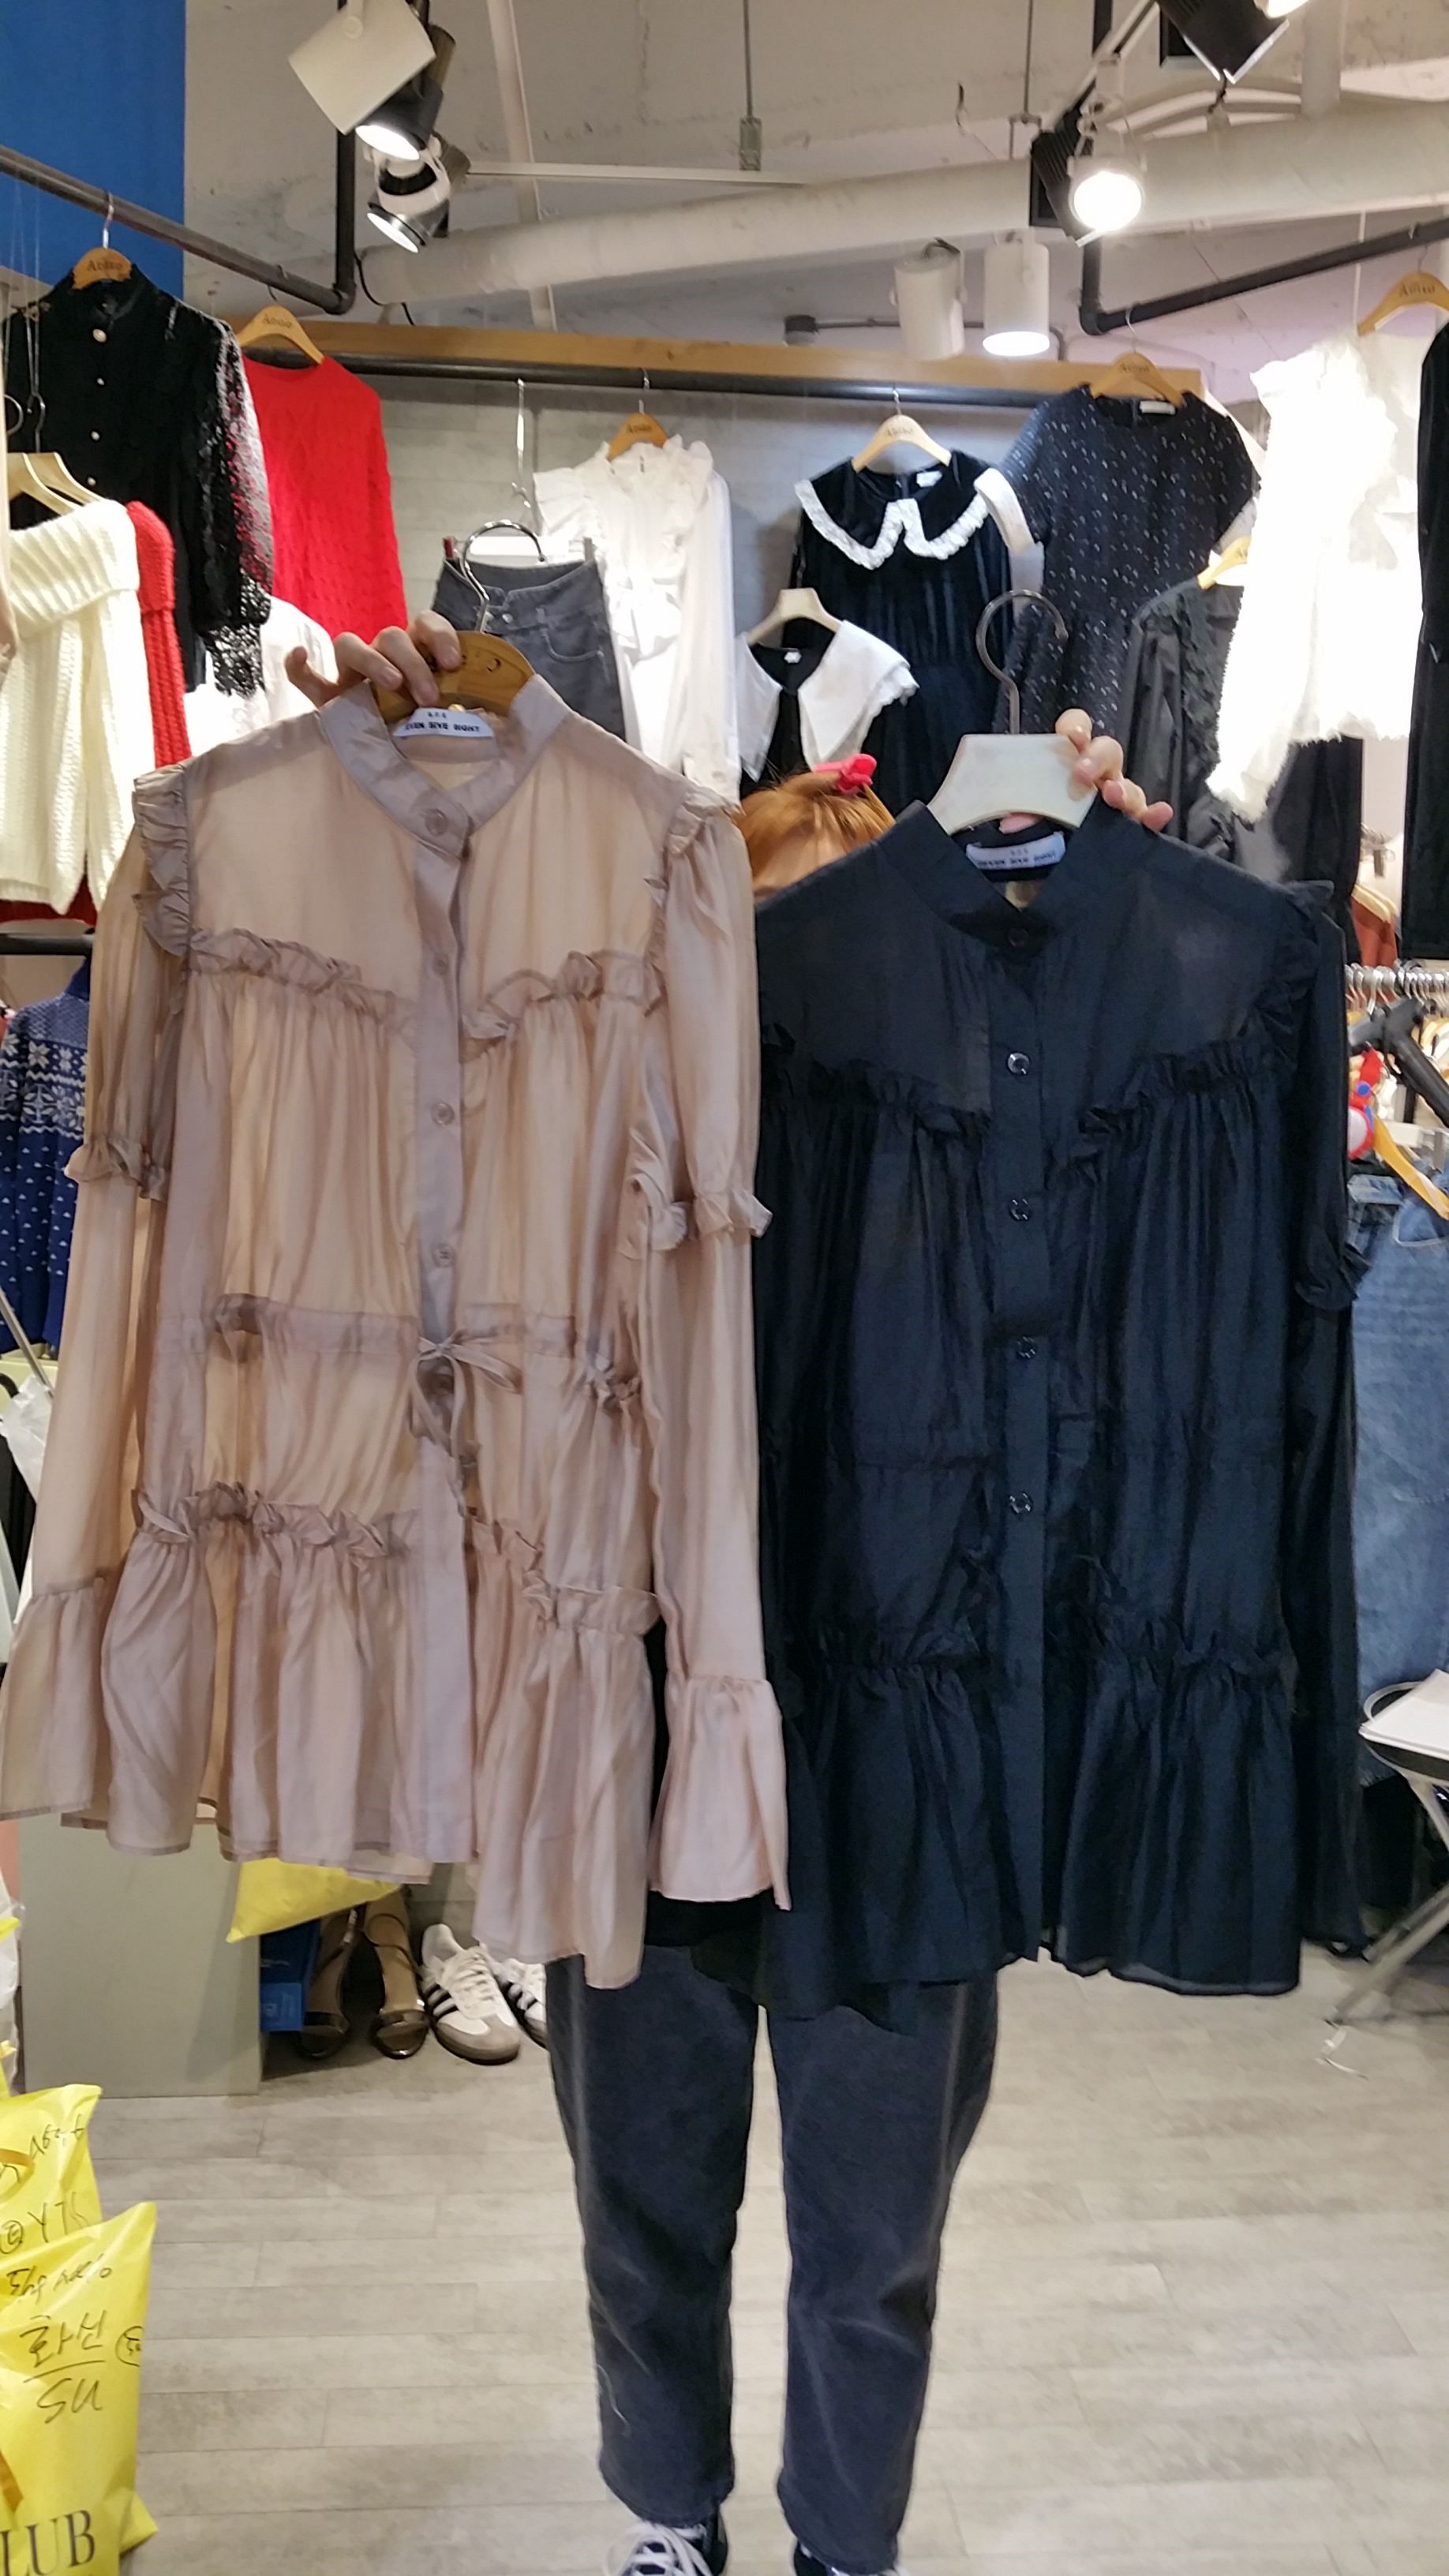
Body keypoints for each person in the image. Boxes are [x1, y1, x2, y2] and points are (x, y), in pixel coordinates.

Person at [288, 611, 1171, 2576]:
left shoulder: (999, 1166)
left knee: (877, 2240)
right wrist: (392, 763)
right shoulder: (594, 1159)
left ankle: (844, 2541)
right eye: (760, 958)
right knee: (644, 2209)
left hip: (906, 1773)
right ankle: (669, 2517)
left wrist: (1106, 868)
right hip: (641, 1739)